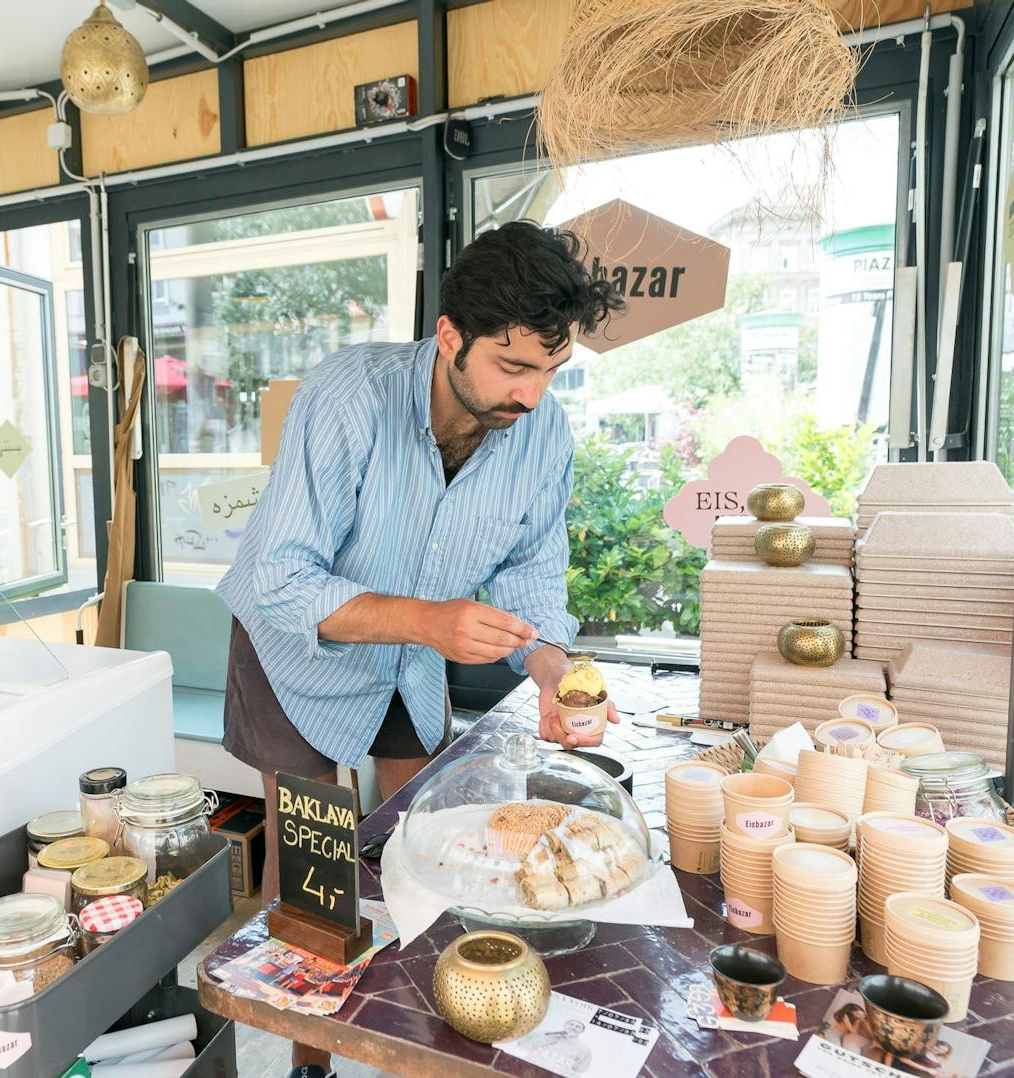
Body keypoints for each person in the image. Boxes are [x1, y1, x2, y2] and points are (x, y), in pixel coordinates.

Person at [215, 220, 624, 1078]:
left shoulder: (544, 434)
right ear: (450, 338)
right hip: (295, 653)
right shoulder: (346, 398)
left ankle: (418, 1042)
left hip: (411, 661)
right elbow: (284, 582)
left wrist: (550, 668)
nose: (533, 396)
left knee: (434, 847)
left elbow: (533, 577)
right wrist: (433, 621)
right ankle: (309, 1062)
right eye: (513, 368)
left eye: (552, 371)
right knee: (316, 876)